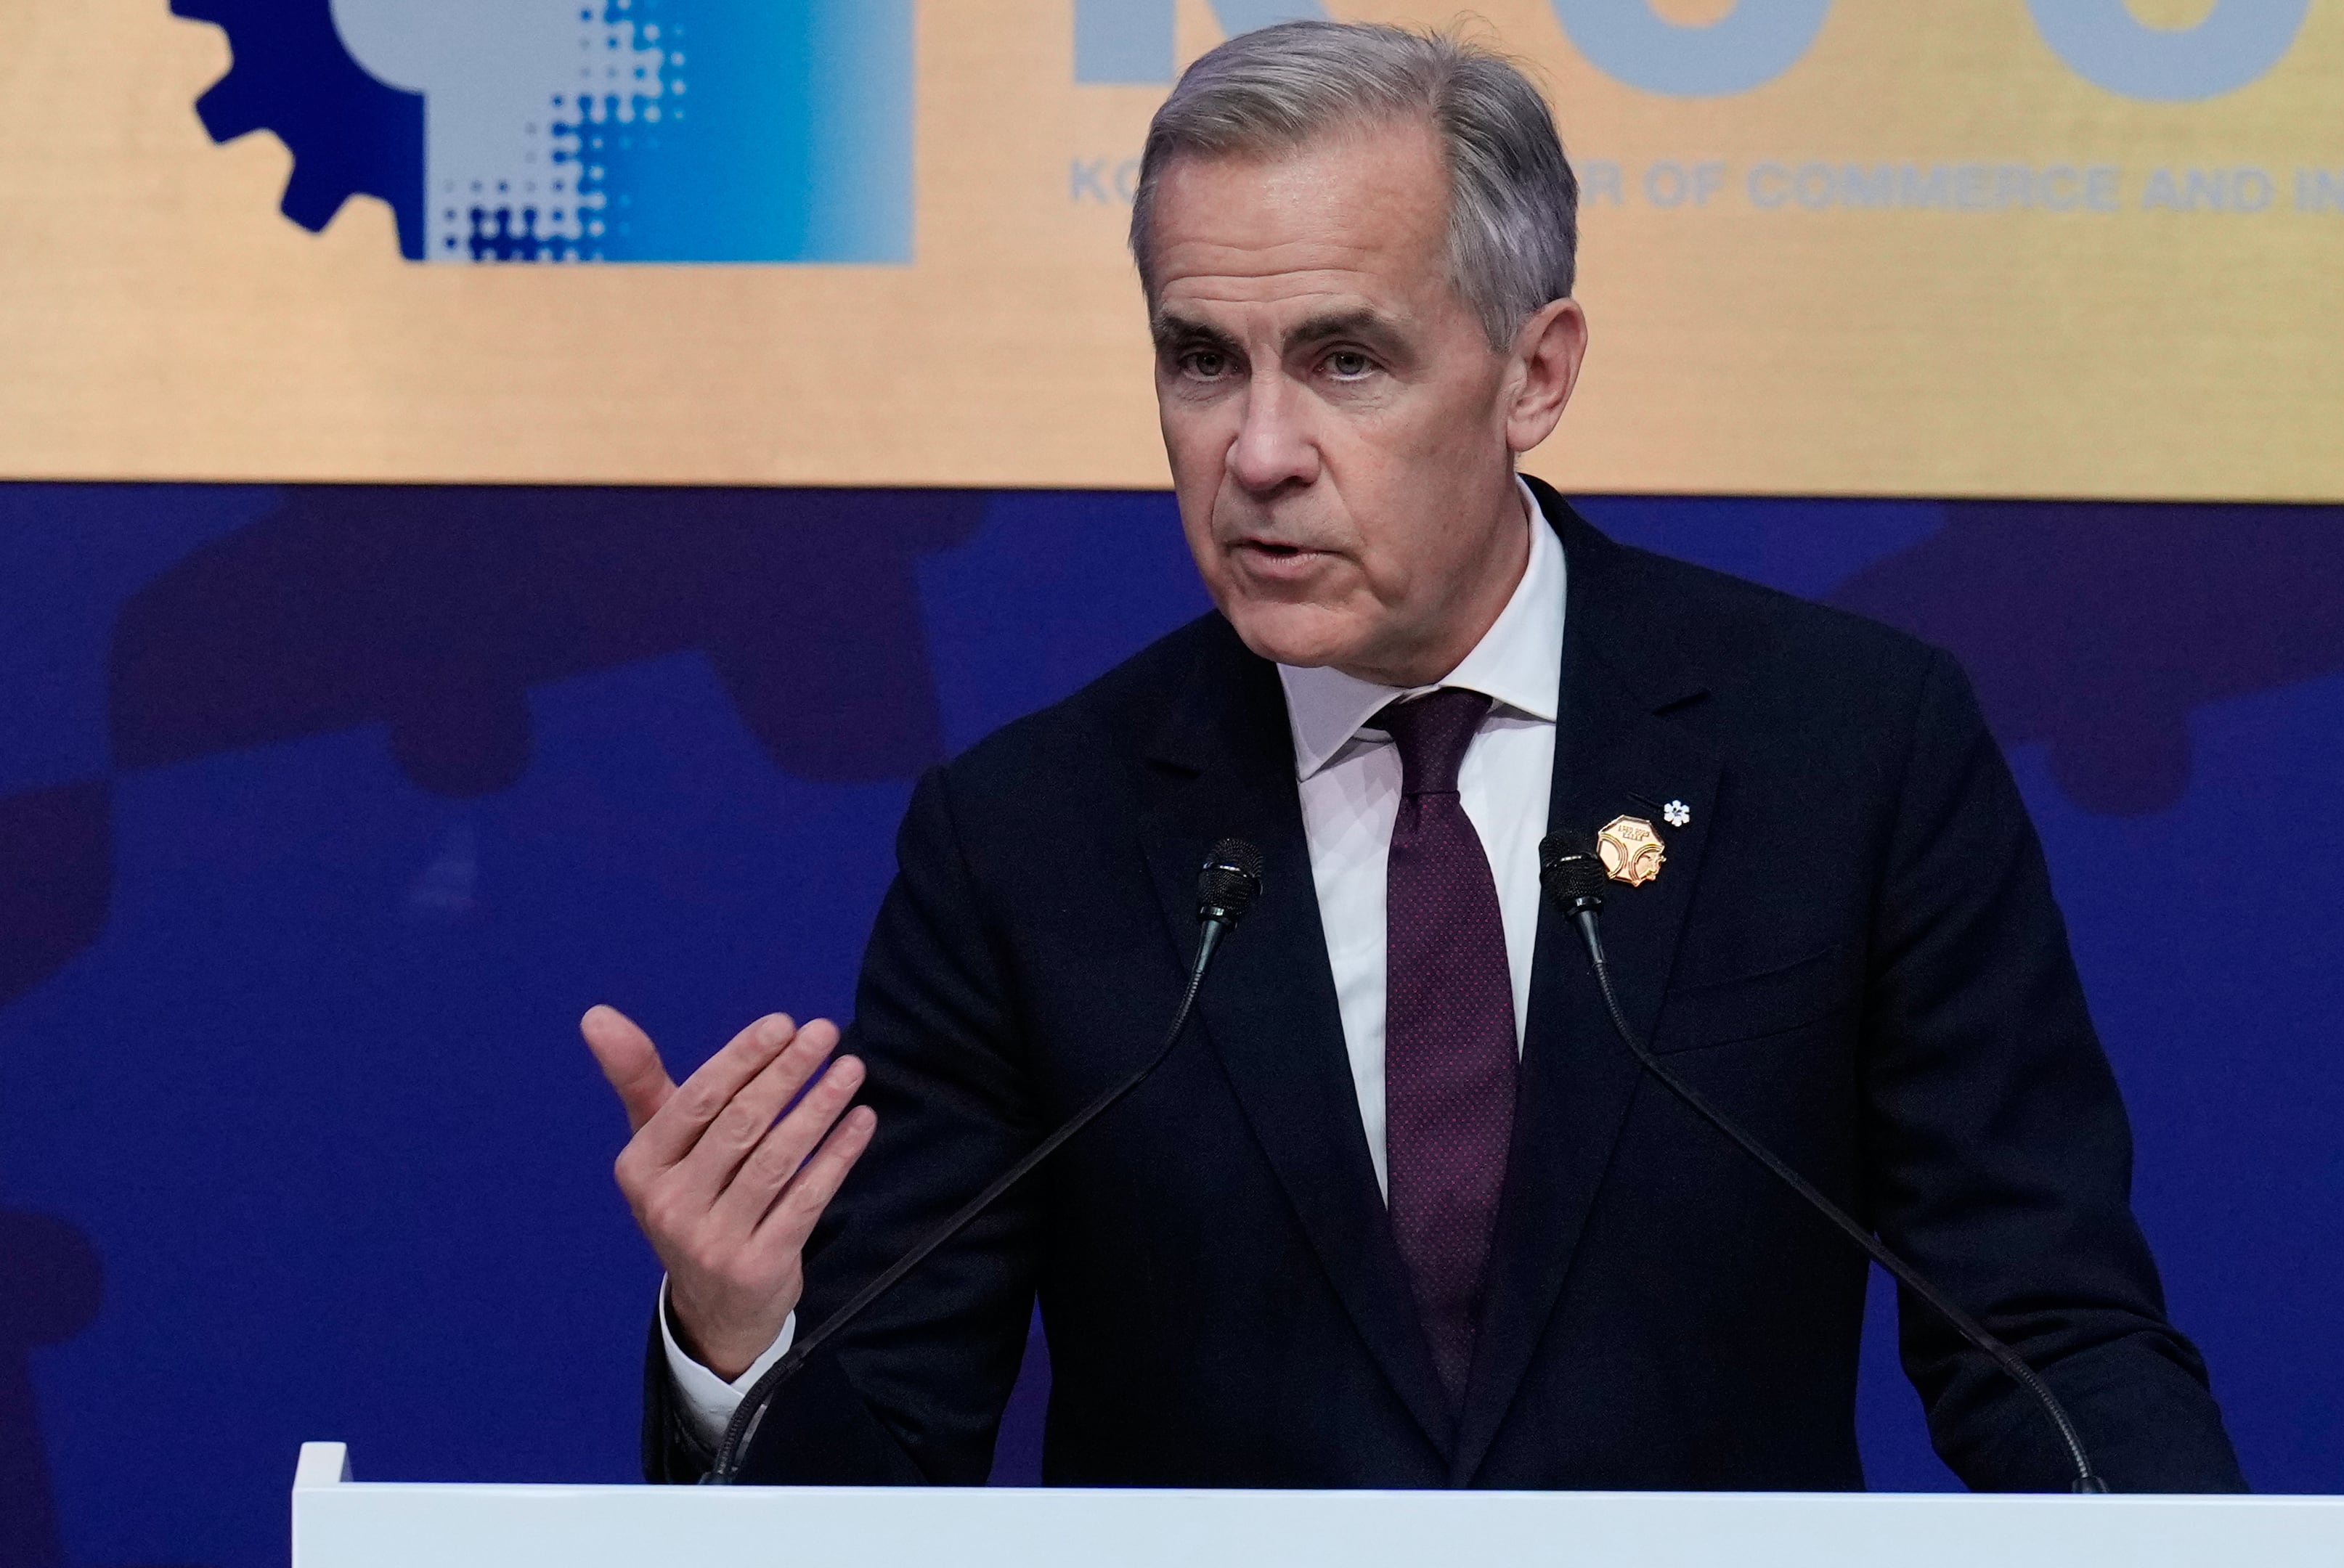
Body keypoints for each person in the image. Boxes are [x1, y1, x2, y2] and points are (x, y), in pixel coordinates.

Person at [582, 20, 2246, 1492]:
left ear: (1537, 374)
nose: (1260, 453)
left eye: (1346, 360)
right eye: (1200, 361)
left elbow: (2042, 1333)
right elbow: (890, 1453)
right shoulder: (1030, 839)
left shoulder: (1848, 751)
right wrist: (740, 1341)